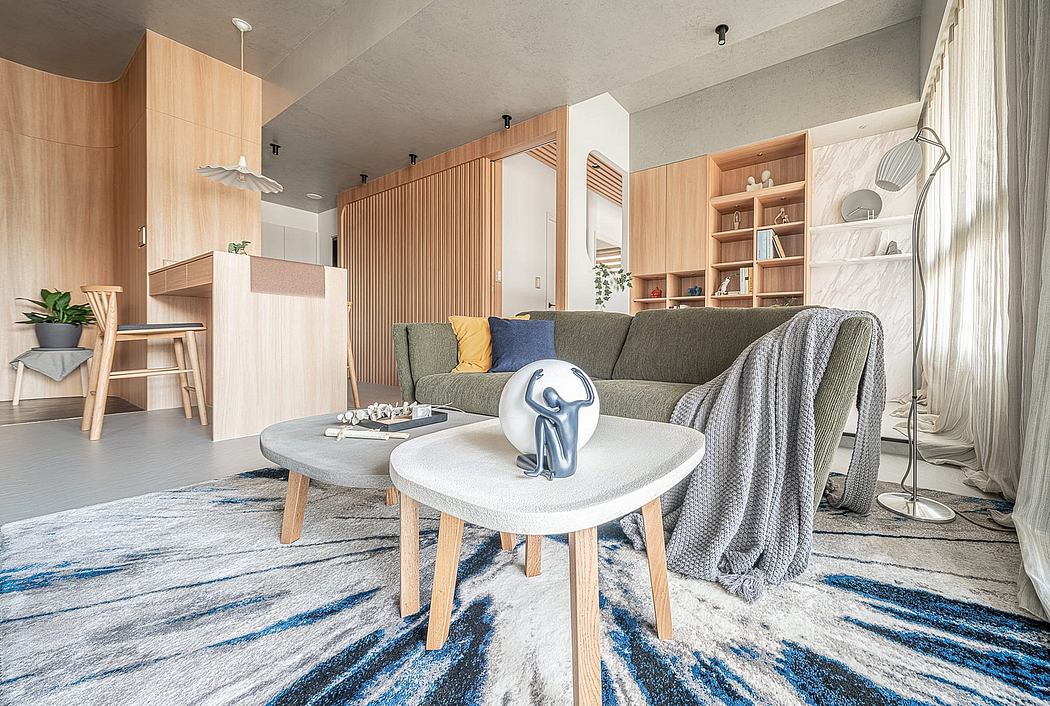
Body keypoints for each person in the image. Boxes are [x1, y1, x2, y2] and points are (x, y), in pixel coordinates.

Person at [515, 367, 596, 480]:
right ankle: (542, 469)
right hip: (572, 467)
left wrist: (533, 379)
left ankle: (539, 468)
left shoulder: (557, 415)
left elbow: (528, 400)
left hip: (560, 468)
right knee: (521, 458)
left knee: (541, 419)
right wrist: (582, 376)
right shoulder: (575, 406)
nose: (547, 405)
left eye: (546, 401)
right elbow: (590, 399)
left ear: (552, 399)